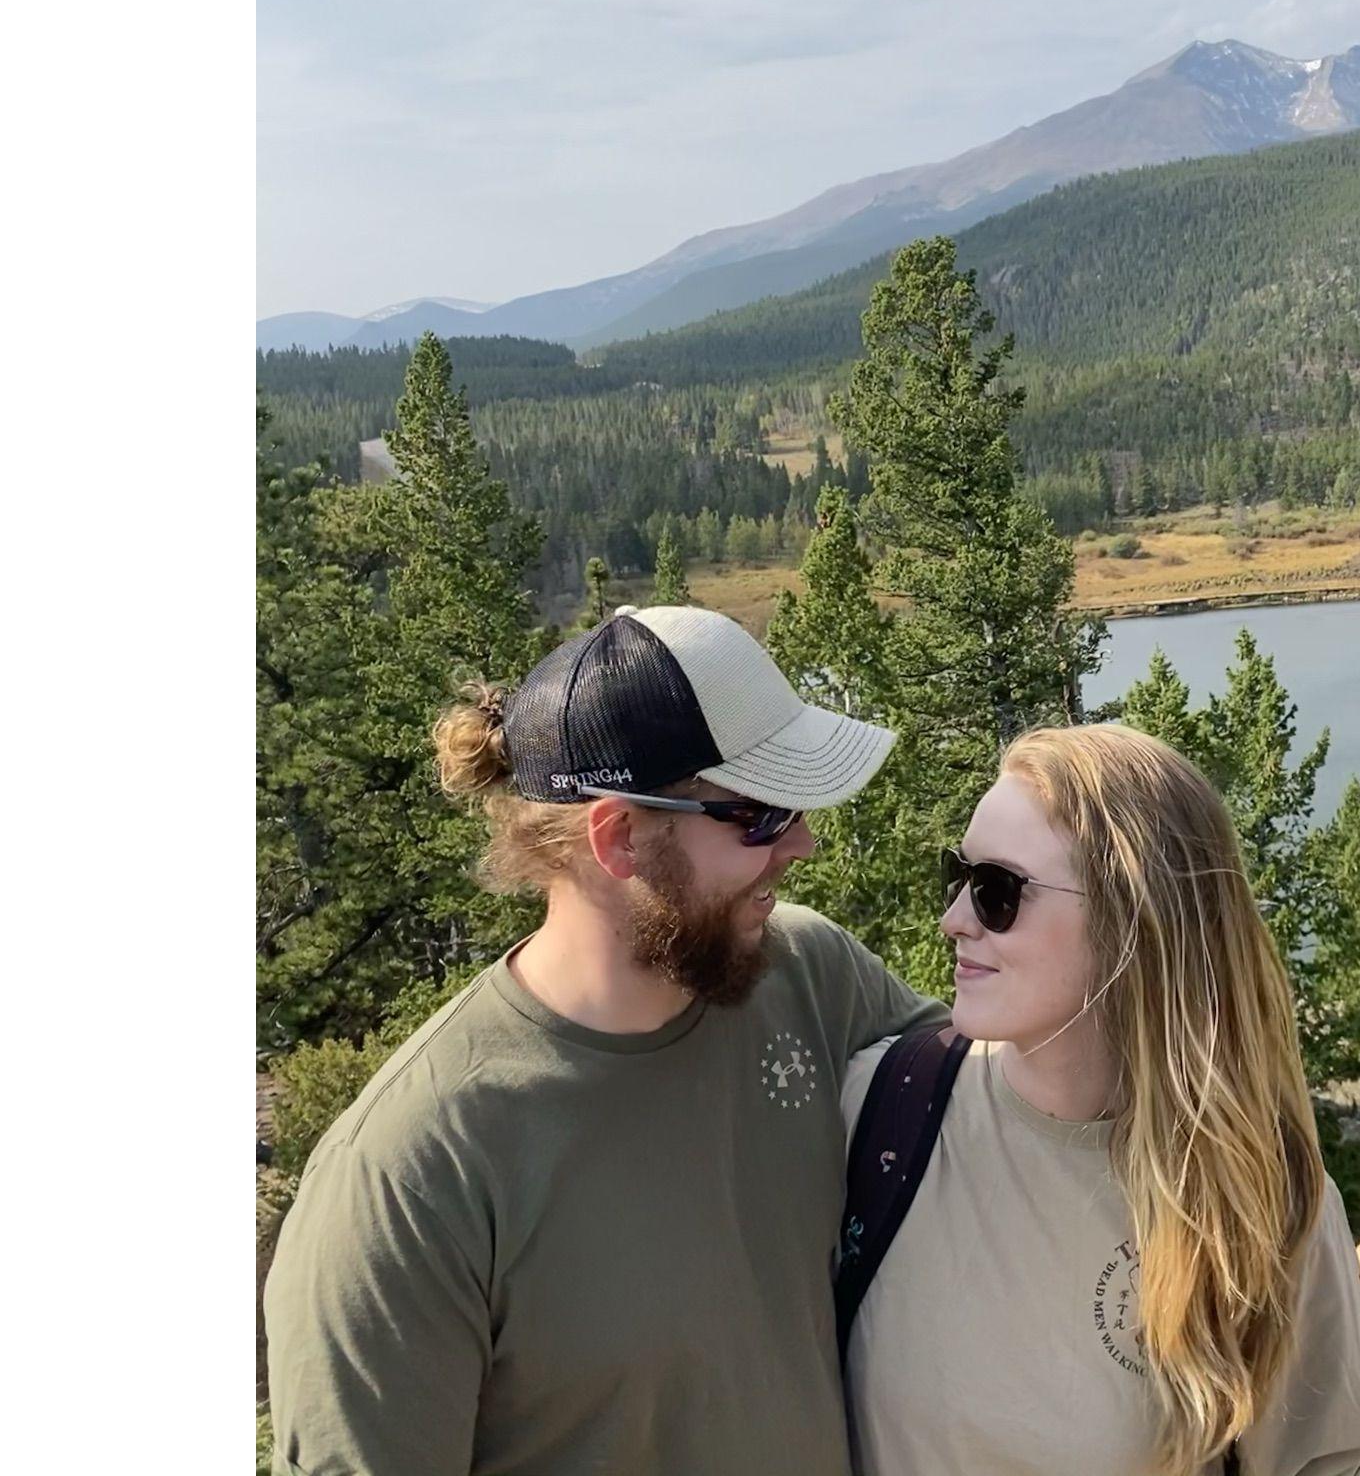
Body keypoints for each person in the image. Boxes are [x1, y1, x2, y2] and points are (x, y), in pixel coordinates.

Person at [264, 604, 946, 1476]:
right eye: (763, 815)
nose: (802, 842)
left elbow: (1006, 1120)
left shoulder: (810, 979)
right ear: (621, 836)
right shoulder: (410, 1180)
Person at [839, 722, 1360, 1476]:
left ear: (1133, 921)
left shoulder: (1264, 1201)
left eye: (998, 893)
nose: (954, 919)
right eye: (955, 876)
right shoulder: (880, 1116)